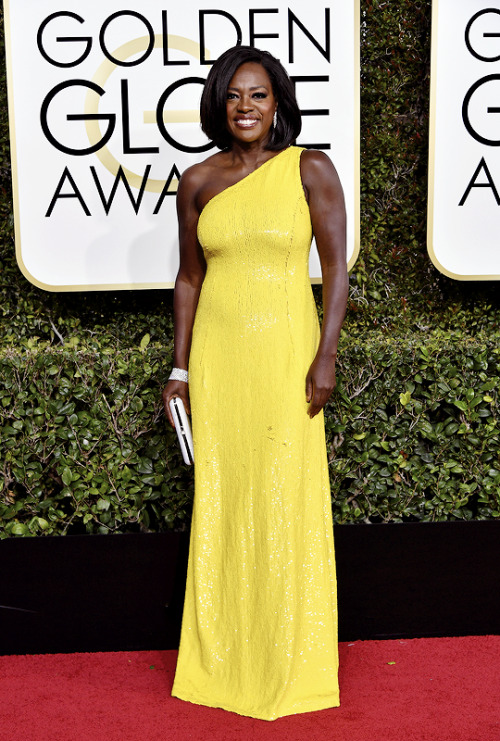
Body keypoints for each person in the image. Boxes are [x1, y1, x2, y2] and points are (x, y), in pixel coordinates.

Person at [162, 45, 348, 721]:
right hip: (219, 362)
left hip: (283, 358)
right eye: (235, 95)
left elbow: (335, 271)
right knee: (225, 498)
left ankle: (287, 662)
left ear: (278, 104)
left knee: (283, 497)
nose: (246, 106)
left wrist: (325, 355)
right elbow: (189, 278)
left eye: (259, 95)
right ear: (219, 102)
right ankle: (223, 662)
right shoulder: (198, 180)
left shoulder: (311, 168)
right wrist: (180, 369)